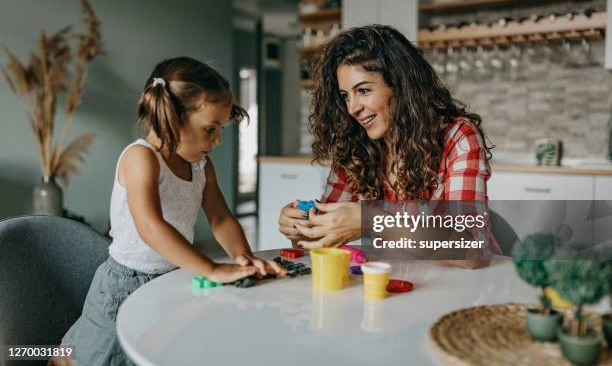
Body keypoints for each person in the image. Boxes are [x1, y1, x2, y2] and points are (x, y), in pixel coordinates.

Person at [60, 57, 285, 365]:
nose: (217, 140)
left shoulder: (201, 165)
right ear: (171, 118)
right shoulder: (141, 158)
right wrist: (211, 269)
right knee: (98, 358)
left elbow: (220, 217)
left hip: (171, 276)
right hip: (124, 284)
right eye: (210, 129)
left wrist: (242, 258)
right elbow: (150, 227)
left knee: (158, 351)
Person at [278, 25, 501, 268]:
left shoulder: (458, 137)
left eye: (363, 90)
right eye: (345, 96)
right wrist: (301, 225)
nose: (352, 108)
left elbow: (470, 250)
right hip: (394, 283)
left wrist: (371, 220)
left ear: (401, 87)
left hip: (462, 287)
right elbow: (323, 234)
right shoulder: (354, 145)